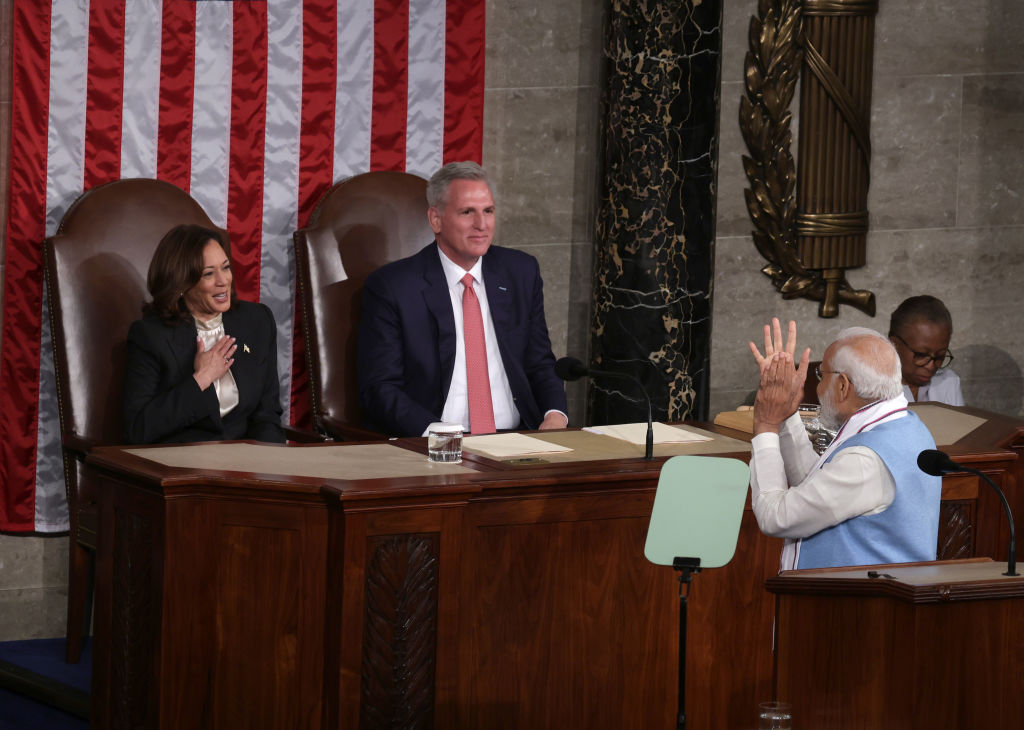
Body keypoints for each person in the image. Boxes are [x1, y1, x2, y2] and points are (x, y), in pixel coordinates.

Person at [357, 161, 568, 437]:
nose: (481, 225)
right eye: (467, 212)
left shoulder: (520, 272)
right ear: (436, 220)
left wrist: (555, 414)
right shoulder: (394, 286)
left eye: (488, 211)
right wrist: (439, 435)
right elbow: (379, 387)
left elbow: (539, 361)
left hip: (519, 438)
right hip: (434, 441)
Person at [747, 319, 941, 570]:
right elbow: (816, 488)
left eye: (821, 374)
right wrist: (785, 415)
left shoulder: (865, 460)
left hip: (849, 606)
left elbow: (775, 517)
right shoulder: (907, 425)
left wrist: (766, 425)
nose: (816, 387)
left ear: (842, 386)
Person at [123, 224, 285, 444]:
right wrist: (201, 379)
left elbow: (267, 416)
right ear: (182, 283)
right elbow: (138, 429)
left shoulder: (257, 321)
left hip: (245, 468)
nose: (223, 281)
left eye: (226, 267)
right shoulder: (151, 336)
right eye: (209, 273)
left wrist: (272, 467)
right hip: (182, 467)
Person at [888, 295, 963, 405]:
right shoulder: (870, 388)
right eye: (921, 355)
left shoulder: (948, 381)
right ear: (894, 344)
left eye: (940, 356)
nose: (931, 367)